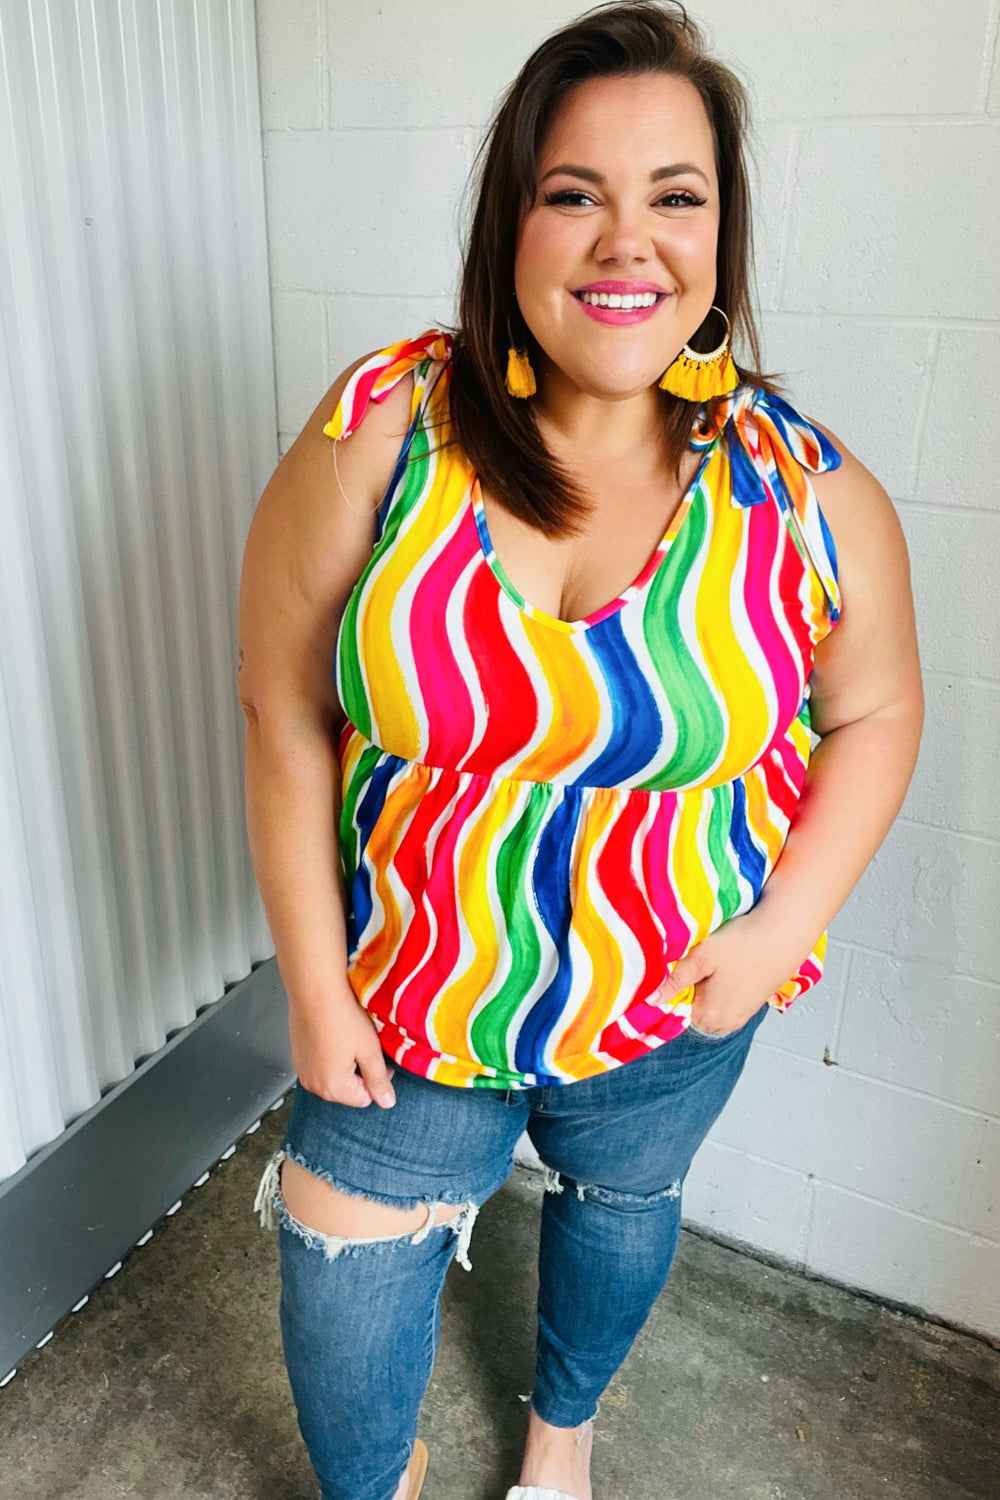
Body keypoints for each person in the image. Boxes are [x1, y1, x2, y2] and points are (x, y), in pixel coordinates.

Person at [238, 4, 923, 1498]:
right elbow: (281, 703)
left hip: (673, 999)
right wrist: (311, 980)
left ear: (722, 235)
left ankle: (565, 1432)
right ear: (512, 222)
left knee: (617, 1211)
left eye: (676, 195)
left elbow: (877, 714)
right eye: (574, 193)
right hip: (407, 1000)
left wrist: (780, 930)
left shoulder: (805, 492)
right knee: (342, 1309)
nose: (629, 242)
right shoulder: (386, 428)